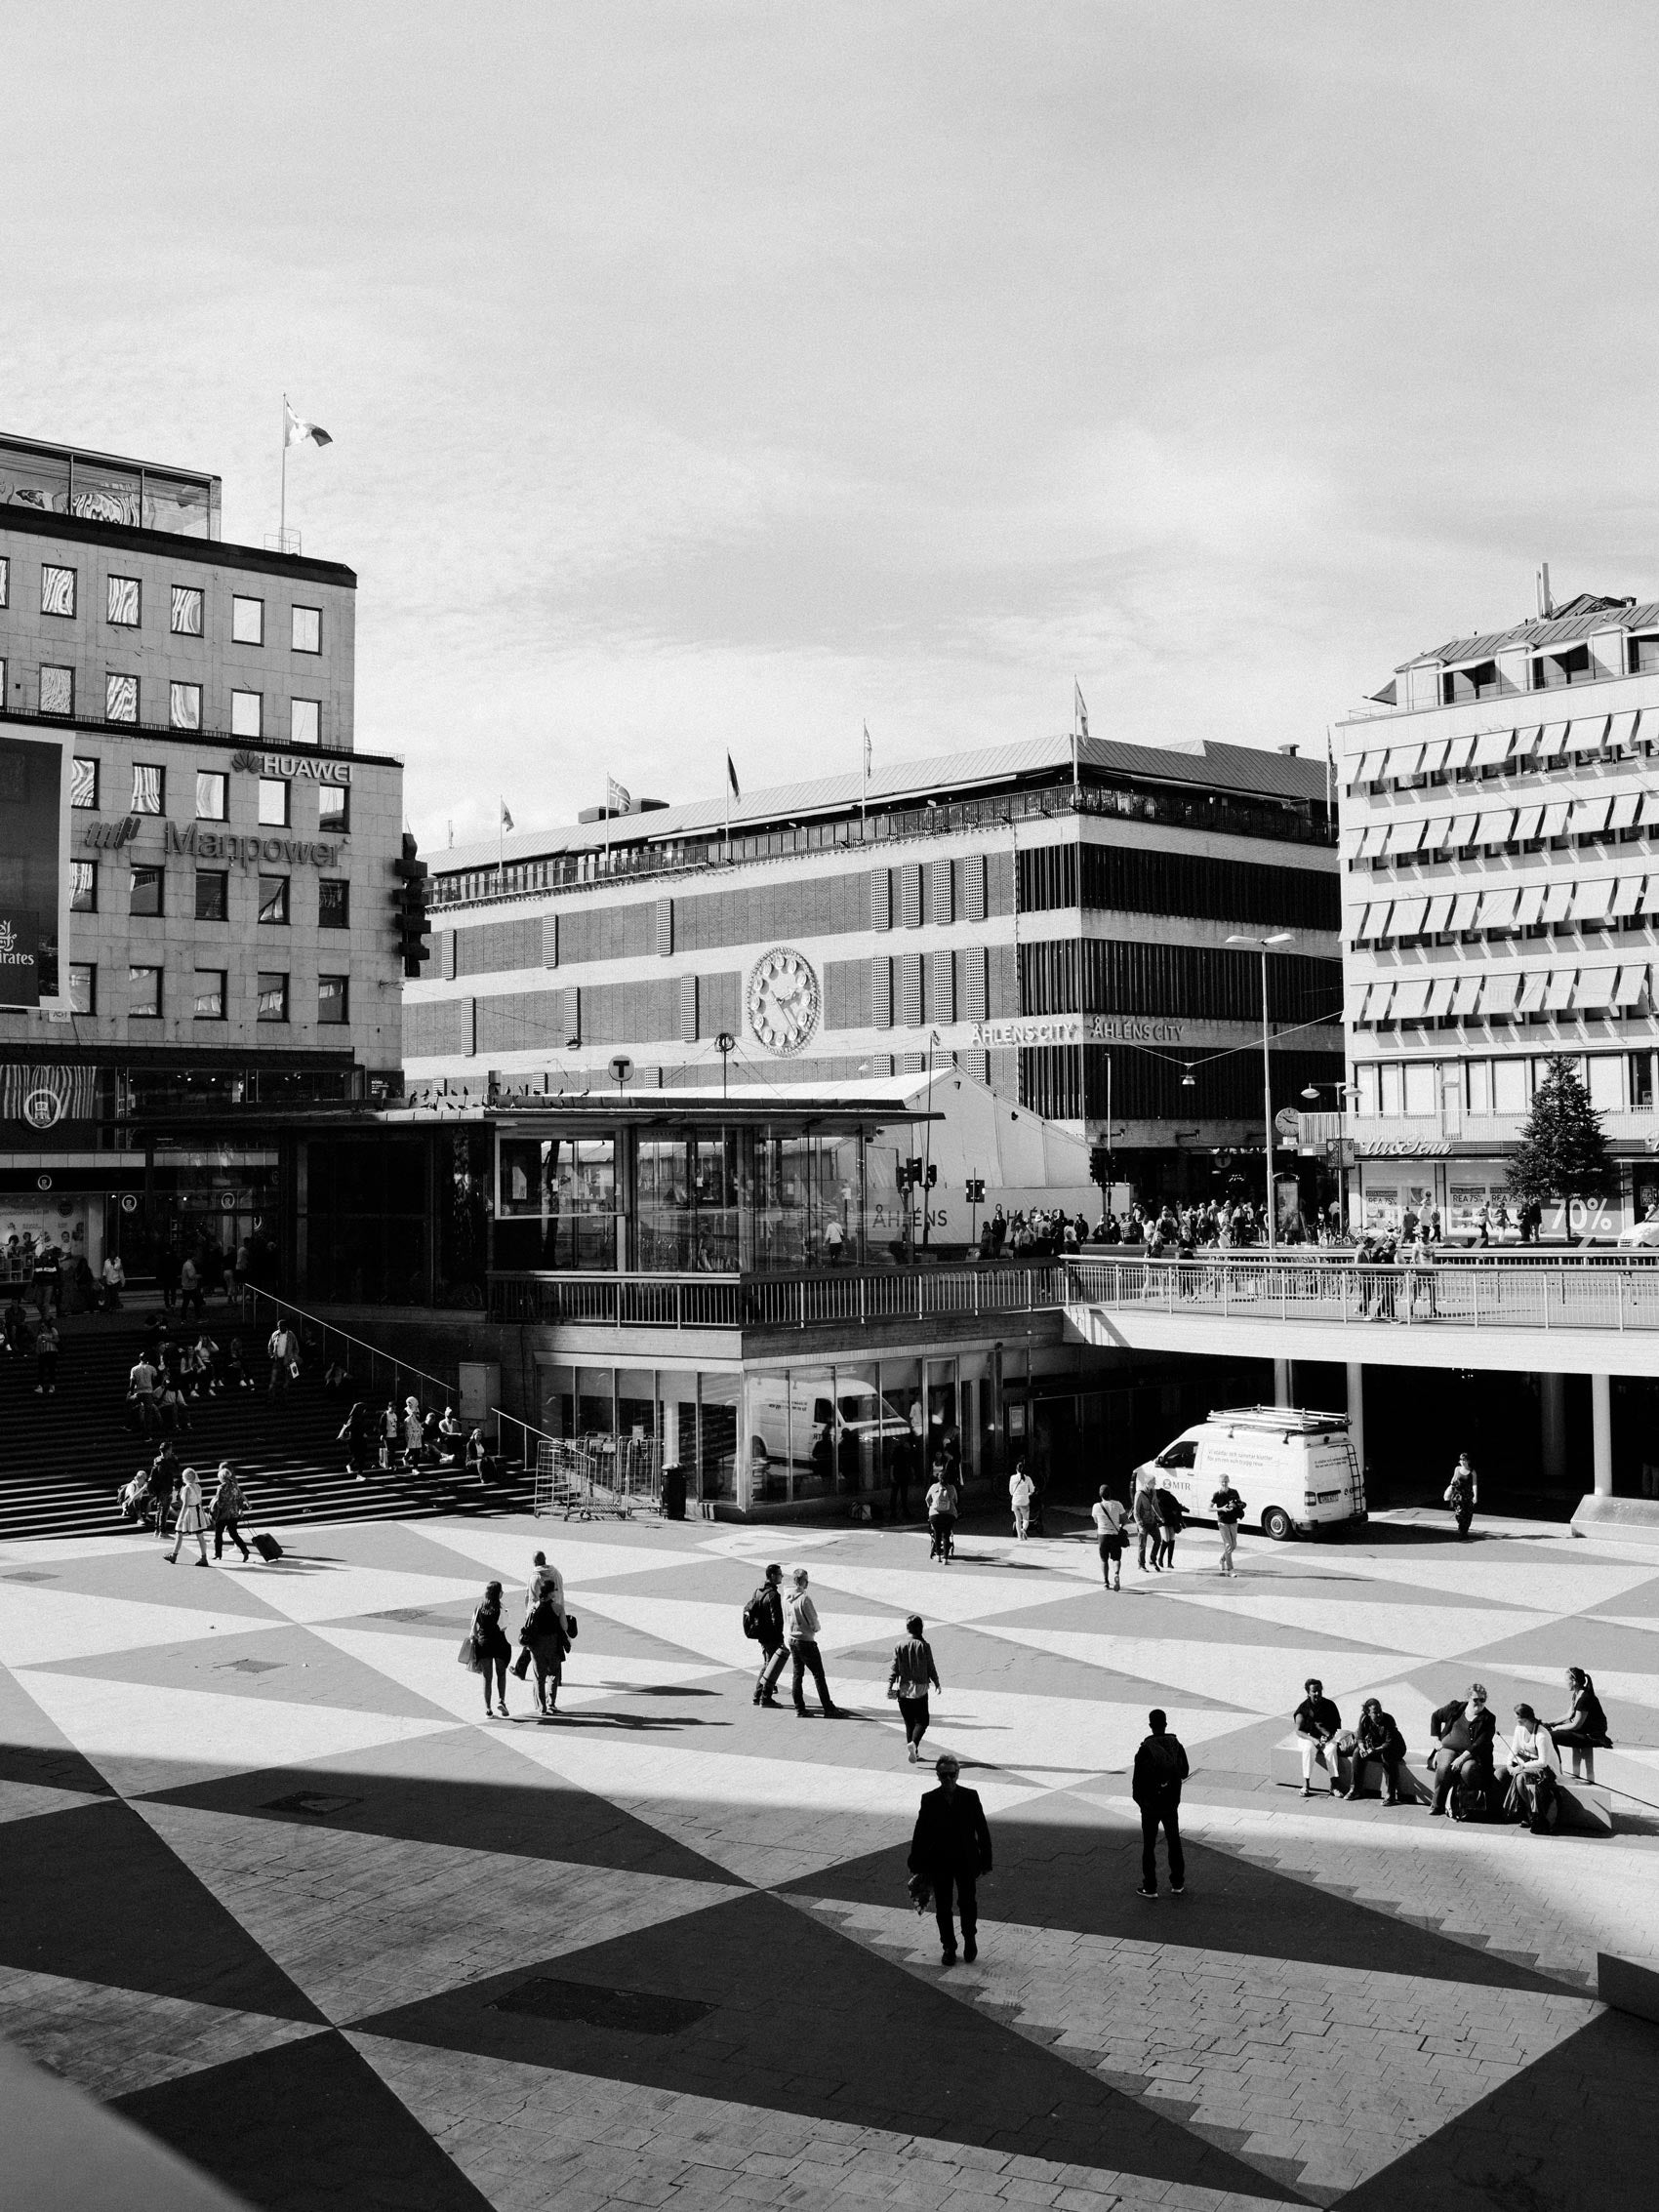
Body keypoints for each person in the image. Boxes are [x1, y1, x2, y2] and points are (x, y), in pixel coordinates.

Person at [909, 1752, 992, 1965]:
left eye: (951, 1775)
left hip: (966, 1859)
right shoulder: (929, 1799)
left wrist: (986, 1861)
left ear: (958, 1774)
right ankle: (949, 1946)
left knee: (967, 1903)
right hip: (940, 1861)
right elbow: (921, 1832)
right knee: (943, 1906)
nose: (948, 1779)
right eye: (943, 1775)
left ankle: (970, 1938)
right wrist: (915, 1861)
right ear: (937, 1775)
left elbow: (982, 1830)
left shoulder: (970, 1796)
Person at [1132, 1708, 1189, 1898]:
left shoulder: (1145, 1749)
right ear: (1165, 1724)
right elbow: (1184, 1771)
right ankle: (1177, 1883)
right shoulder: (1176, 1745)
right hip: (1171, 1804)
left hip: (1150, 1806)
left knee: (1149, 1845)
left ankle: (1150, 1886)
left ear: (1150, 1725)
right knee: (1174, 1841)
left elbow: (1137, 1782)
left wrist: (1141, 1802)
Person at [1429, 1682, 1496, 1817]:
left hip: (1473, 1754)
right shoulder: (1456, 1707)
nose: (1479, 1703)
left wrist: (1461, 1758)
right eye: (1475, 1700)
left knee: (1467, 1770)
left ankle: (1465, 1806)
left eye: (1482, 1700)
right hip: (1448, 1748)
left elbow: (1479, 1744)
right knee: (1444, 1767)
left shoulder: (1489, 1718)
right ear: (1468, 1699)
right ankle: (1437, 1804)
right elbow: (1436, 1716)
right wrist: (1436, 1739)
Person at [515, 1551, 570, 1714]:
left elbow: (529, 1622)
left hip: (537, 1642)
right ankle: (551, 1702)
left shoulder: (534, 1600)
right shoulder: (556, 1574)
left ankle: (541, 1707)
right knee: (553, 1673)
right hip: (553, 1640)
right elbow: (564, 1627)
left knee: (539, 1676)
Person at [784, 1566, 841, 1717]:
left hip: (792, 1639)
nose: (807, 1584)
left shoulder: (786, 1597)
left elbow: (786, 1617)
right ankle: (828, 1708)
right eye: (806, 1581)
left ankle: (799, 1708)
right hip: (806, 1641)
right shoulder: (804, 1599)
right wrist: (816, 1629)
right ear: (802, 1582)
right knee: (818, 1675)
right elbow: (813, 1620)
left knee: (797, 1674)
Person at [1543, 1668, 1611, 1782]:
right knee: (1548, 1732)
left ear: (1574, 1682)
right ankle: (1555, 1769)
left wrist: (1558, 1728)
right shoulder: (1577, 1693)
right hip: (1581, 1731)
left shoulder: (1585, 1698)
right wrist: (1550, 1724)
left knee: (1549, 1737)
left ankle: (1557, 1772)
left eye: (1566, 1680)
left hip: (1591, 1736)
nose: (1565, 1683)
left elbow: (1576, 1725)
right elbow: (1569, 1714)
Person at [888, 1613, 941, 1761]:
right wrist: (936, 1683)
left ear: (907, 1629)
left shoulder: (899, 1645)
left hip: (903, 1689)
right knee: (923, 1721)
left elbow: (894, 1668)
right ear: (921, 1628)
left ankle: (914, 1752)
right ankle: (914, 1744)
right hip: (920, 1688)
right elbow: (930, 1666)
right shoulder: (924, 1645)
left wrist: (890, 1685)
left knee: (909, 1722)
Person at [1504, 1703, 1560, 1832]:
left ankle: (1530, 1812)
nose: (1516, 1721)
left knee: (1520, 1778)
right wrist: (1509, 1764)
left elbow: (1543, 1762)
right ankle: (1516, 1810)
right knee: (1502, 1774)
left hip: (1546, 1770)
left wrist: (1521, 1767)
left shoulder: (1542, 1735)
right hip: (1527, 1764)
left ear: (1525, 1718)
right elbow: (1514, 1748)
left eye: (1517, 1718)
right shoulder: (1519, 1728)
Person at [1346, 1698, 1406, 1804]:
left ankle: (1390, 1794)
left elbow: (1389, 1744)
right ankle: (1355, 1789)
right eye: (1375, 1712)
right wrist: (1362, 1748)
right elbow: (1360, 1738)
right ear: (1368, 1713)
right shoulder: (1364, 1719)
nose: (1379, 1714)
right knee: (1356, 1753)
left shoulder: (1388, 1719)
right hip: (1376, 1748)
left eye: (1380, 1711)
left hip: (1395, 1748)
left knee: (1386, 1756)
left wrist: (1374, 1750)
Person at [1293, 1677, 1344, 1796]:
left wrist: (1327, 1736)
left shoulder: (1330, 1705)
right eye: (1314, 1691)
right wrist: (1314, 1740)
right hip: (1308, 1737)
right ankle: (1306, 1784)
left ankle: (1334, 1785)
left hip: (1326, 1737)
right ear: (1308, 1692)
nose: (1318, 1693)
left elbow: (1337, 1726)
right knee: (1308, 1749)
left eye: (1319, 1690)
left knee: (1331, 1750)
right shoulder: (1303, 1708)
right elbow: (1299, 1731)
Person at [747, 1562, 787, 1707]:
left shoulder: (758, 1591)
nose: (781, 1576)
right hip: (771, 1636)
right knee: (771, 1666)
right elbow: (777, 1620)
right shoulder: (773, 1595)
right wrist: (780, 1637)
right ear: (772, 1576)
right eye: (780, 1574)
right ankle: (765, 1697)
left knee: (767, 1663)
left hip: (761, 1634)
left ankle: (758, 1696)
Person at [471, 1581, 512, 1719]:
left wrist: (478, 1637)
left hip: (483, 1643)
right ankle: (501, 1700)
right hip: (499, 1642)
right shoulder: (500, 1606)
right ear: (498, 1593)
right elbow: (504, 1626)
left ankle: (488, 1709)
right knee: (501, 1674)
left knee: (487, 1677)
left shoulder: (480, 1606)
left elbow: (473, 1626)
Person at [166, 1465, 210, 1566]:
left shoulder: (187, 1488)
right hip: (197, 1512)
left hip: (189, 1512)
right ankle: (204, 1557)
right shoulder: (198, 1486)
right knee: (200, 1536)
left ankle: (174, 1555)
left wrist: (181, 1517)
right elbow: (200, 1502)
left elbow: (185, 1505)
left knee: (179, 1533)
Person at [209, 1463, 251, 1563]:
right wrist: (240, 1509)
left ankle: (218, 1554)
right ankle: (245, 1550)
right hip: (234, 1514)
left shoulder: (221, 1487)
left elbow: (219, 1502)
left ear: (221, 1477)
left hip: (223, 1515)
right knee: (233, 1533)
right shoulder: (234, 1486)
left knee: (218, 1534)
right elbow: (239, 1499)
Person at [1090, 1486, 1125, 1589]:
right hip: (1115, 1534)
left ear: (1100, 1495)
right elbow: (1125, 1519)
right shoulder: (1118, 1504)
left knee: (1103, 1560)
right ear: (1110, 1494)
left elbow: (1095, 1521)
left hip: (1102, 1535)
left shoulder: (1096, 1506)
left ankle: (1106, 1582)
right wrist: (1120, 1526)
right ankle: (1116, 1574)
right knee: (1116, 1558)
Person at [1211, 1475, 1245, 1577]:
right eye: (1222, 1482)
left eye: (1226, 1481)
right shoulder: (1217, 1494)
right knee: (1228, 1545)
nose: (1224, 1483)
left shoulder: (1234, 1492)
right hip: (1222, 1522)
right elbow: (1209, 1508)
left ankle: (1222, 1559)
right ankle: (1230, 1569)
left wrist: (1236, 1505)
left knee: (1234, 1545)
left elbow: (1241, 1504)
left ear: (1228, 1481)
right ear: (1219, 1482)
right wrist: (1221, 1509)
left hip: (1233, 1521)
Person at [925, 1468, 957, 1563]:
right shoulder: (952, 1488)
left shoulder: (933, 1487)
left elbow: (927, 1499)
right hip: (949, 1514)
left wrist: (931, 1507)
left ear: (938, 1478)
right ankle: (946, 1559)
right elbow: (956, 1501)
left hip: (935, 1515)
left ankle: (938, 1555)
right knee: (946, 1535)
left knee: (937, 1533)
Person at [1134, 1471, 1163, 1572]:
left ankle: (1152, 1559)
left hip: (1152, 1520)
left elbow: (1155, 1505)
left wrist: (1161, 1517)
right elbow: (1135, 1511)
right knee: (1142, 1545)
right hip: (1143, 1523)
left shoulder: (1153, 1491)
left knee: (1158, 1540)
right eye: (1153, 1482)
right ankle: (1141, 1564)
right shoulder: (1139, 1494)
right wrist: (1139, 1523)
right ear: (1147, 1483)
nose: (1155, 1484)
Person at [340, 1400, 375, 1480]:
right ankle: (358, 1473)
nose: (365, 1411)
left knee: (360, 1457)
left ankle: (353, 1468)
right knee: (360, 1457)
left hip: (360, 1440)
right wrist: (362, 1432)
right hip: (355, 1441)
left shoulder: (360, 1417)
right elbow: (350, 1428)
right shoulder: (353, 1418)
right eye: (363, 1409)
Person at [266, 1316, 299, 1401]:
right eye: (278, 1327)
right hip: (277, 1360)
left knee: (286, 1382)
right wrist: (271, 1355)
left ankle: (283, 1399)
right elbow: (270, 1346)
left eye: (281, 1326)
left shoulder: (291, 1335)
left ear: (285, 1326)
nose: (279, 1328)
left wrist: (293, 1357)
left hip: (288, 1361)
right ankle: (271, 1399)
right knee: (273, 1381)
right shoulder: (275, 1334)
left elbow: (296, 1348)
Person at [1445, 1453, 1476, 1541]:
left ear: (1468, 1461)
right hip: (1458, 1495)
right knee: (1458, 1513)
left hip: (1468, 1495)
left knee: (1468, 1514)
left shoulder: (1472, 1471)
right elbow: (1454, 1478)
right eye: (1461, 1460)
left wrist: (1475, 1496)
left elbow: (1474, 1484)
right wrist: (1451, 1486)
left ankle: (1464, 1532)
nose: (1462, 1461)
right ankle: (1461, 1527)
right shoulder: (1457, 1468)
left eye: (1464, 1460)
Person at [887, 1430, 916, 1524]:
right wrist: (891, 1475)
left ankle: (902, 1511)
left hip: (904, 1474)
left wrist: (912, 1473)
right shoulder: (898, 1451)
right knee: (895, 1494)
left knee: (902, 1494)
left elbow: (910, 1463)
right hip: (898, 1474)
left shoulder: (907, 1451)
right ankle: (894, 1512)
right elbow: (893, 1463)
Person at [1154, 1490, 1182, 1571]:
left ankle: (1169, 1562)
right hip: (1162, 1521)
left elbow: (1177, 1507)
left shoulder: (1161, 1499)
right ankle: (1160, 1559)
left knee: (1171, 1540)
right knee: (1166, 1539)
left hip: (1170, 1520)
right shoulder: (1165, 1498)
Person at [33, 1314, 60, 1396]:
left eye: (43, 1326)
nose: (42, 1328)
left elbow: (57, 1340)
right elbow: (38, 1345)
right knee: (41, 1370)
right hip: (43, 1353)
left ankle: (52, 1386)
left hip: (51, 1352)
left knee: (51, 1369)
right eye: (41, 1327)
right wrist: (37, 1351)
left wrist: (47, 1339)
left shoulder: (52, 1331)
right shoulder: (40, 1334)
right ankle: (40, 1386)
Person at [1009, 1461, 1034, 1542]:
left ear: (1016, 1469)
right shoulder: (1028, 1478)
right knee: (1026, 1519)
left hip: (1015, 1501)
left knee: (1017, 1519)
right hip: (1024, 1501)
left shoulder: (1012, 1478)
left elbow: (1011, 1491)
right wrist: (1028, 1494)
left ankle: (1019, 1537)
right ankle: (1023, 1529)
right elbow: (1032, 1490)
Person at [179, 1253, 203, 1324]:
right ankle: (198, 1317)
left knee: (186, 1303)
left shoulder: (186, 1264)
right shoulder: (189, 1265)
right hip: (190, 1287)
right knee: (196, 1303)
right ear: (193, 1257)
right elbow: (191, 1276)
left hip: (187, 1287)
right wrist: (198, 1276)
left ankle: (184, 1318)